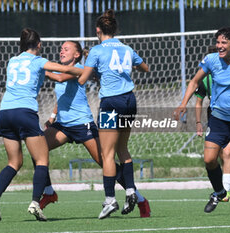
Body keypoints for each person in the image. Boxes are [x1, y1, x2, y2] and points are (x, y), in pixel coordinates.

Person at [39, 40, 151, 218]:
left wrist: (37, 66)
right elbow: (63, 96)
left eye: (66, 49)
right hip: (63, 125)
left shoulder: (79, 69)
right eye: (61, 49)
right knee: (37, 148)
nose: (61, 51)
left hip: (82, 124)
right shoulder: (59, 68)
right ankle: (49, 191)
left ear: (76, 55)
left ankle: (139, 198)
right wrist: (52, 117)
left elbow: (60, 78)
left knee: (106, 162)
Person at [0, 28, 82, 222]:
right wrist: (87, 71)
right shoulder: (38, 61)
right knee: (41, 159)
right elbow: (63, 70)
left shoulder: (12, 61)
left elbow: (52, 75)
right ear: (38, 45)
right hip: (24, 112)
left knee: (14, 162)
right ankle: (35, 203)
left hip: (5, 113)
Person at [174, 27, 230, 215]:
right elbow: (194, 82)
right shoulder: (211, 60)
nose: (219, 46)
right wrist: (183, 103)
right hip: (217, 119)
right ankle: (219, 191)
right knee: (209, 159)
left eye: (224, 43)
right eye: (218, 42)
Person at [78, 9, 149, 219]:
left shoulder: (97, 51)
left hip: (111, 103)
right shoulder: (126, 49)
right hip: (130, 100)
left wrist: (89, 67)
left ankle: (109, 200)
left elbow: (82, 79)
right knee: (123, 149)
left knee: (106, 154)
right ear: (115, 29)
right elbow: (145, 67)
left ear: (98, 30)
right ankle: (130, 191)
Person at [195, 45, 230, 202]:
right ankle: (224, 187)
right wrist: (198, 122)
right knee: (215, 156)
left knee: (228, 153)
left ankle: (228, 190)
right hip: (214, 119)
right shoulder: (205, 79)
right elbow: (198, 102)